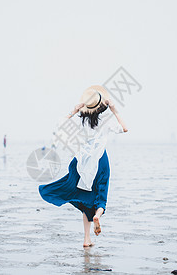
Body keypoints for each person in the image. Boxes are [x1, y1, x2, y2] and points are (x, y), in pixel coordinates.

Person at [38, 85, 128, 248]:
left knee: (84, 198)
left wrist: (74, 110)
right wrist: (114, 110)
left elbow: (61, 124)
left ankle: (87, 239)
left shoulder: (80, 121)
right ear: (101, 107)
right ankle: (98, 215)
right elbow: (124, 128)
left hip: (81, 163)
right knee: (101, 194)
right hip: (100, 161)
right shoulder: (105, 122)